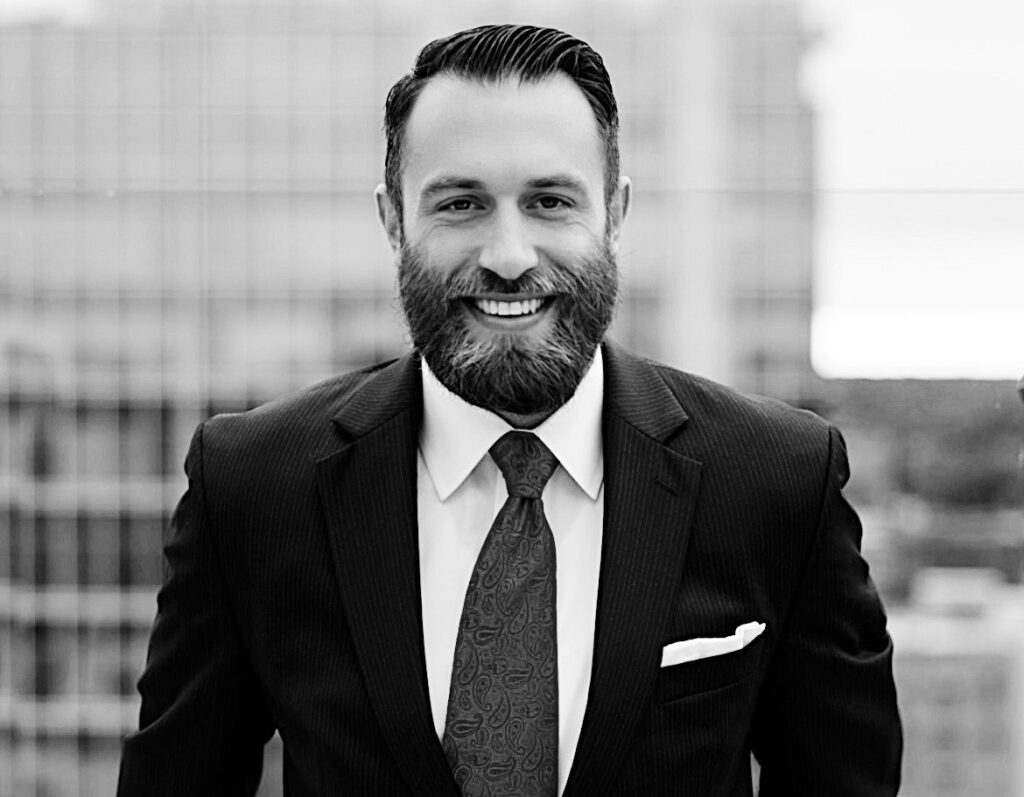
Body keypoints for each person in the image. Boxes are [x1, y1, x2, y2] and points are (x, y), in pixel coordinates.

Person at [117, 23, 902, 797]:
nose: (509, 254)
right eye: (460, 204)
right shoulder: (253, 482)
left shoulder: (778, 480)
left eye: (551, 200)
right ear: (393, 221)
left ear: (616, 215)